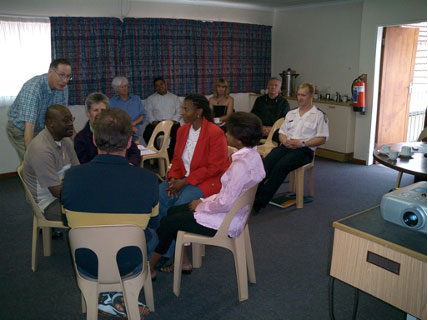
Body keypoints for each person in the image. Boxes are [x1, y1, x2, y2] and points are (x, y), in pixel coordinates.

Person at [61, 108, 157, 319]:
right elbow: (154, 222)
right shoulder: (148, 180)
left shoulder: (71, 177)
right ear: (130, 141)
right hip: (130, 261)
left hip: (87, 261)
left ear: (94, 140)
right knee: (152, 233)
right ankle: (120, 295)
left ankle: (108, 297)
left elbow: (66, 221)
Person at [149, 112, 265, 277]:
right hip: (234, 213)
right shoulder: (254, 157)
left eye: (229, 132)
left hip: (226, 219)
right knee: (173, 212)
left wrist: (200, 204)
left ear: (239, 139)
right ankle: (183, 261)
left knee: (169, 221)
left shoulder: (240, 165)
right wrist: (203, 201)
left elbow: (225, 202)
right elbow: (228, 196)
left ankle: (150, 268)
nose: (226, 134)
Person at [253, 82, 329, 213]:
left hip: (304, 150)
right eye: (299, 95)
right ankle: (252, 196)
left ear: (311, 96)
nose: (300, 98)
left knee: (281, 167)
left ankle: (259, 203)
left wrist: (302, 143)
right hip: (286, 146)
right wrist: (284, 141)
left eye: (303, 95)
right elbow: (281, 132)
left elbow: (322, 138)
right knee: (265, 164)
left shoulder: (318, 115)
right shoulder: (291, 113)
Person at [7, 58, 72, 162]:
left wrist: (76, 143)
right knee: (32, 163)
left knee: (51, 159)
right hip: (20, 129)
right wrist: (33, 160)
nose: (65, 80)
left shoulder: (63, 88)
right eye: (62, 75)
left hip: (40, 128)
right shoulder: (33, 89)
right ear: (50, 71)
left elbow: (64, 120)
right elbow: (29, 129)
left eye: (68, 76)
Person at [22, 104, 79, 222]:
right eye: (65, 120)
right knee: (90, 214)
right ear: (50, 123)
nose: (70, 123)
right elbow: (57, 192)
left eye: (71, 119)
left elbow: (77, 171)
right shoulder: (41, 150)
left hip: (63, 193)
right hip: (48, 204)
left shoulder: (65, 140)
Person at [74, 92, 142, 166]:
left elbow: (135, 153)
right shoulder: (80, 138)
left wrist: (130, 164)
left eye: (103, 110)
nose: (99, 114)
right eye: (95, 110)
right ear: (88, 112)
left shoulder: (118, 130)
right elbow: (84, 163)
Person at [143, 77, 181, 160]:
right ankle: (157, 156)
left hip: (172, 123)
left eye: (161, 84)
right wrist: (154, 122)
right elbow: (148, 113)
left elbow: (179, 112)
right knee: (147, 133)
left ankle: (170, 156)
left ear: (165, 84)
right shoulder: (150, 99)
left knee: (179, 134)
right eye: (157, 85)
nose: (160, 87)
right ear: (155, 87)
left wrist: (172, 122)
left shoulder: (174, 98)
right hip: (156, 124)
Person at [251, 77, 290, 142]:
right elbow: (253, 116)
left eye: (276, 85)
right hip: (260, 128)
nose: (273, 87)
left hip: (276, 130)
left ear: (279, 88)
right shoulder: (260, 100)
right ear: (267, 86)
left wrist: (272, 129)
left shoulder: (284, 103)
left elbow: (285, 120)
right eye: (271, 85)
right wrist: (261, 127)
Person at [109, 76, 146, 141]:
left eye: (126, 86)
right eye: (122, 87)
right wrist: (129, 127)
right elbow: (112, 120)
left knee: (135, 150)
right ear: (116, 89)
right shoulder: (112, 102)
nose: (125, 88)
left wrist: (133, 124)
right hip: (119, 135)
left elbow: (142, 116)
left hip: (134, 134)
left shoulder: (136, 99)